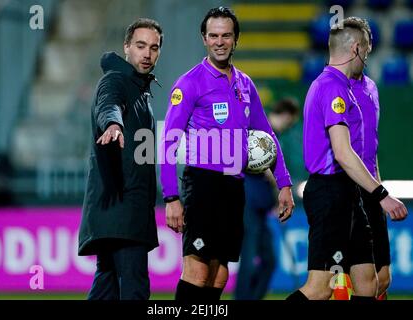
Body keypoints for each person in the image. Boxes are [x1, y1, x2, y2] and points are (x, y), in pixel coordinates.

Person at [160, 6, 295, 301]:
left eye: (226, 35)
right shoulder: (190, 82)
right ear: (204, 39)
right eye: (213, 36)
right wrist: (171, 197)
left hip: (235, 186)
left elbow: (267, 136)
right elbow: (169, 141)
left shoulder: (245, 84)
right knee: (197, 272)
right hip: (203, 184)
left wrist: (284, 183)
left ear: (236, 40)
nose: (219, 41)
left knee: (219, 274)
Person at [287, 17, 408, 301]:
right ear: (355, 48)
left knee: (368, 284)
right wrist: (382, 194)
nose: (367, 56)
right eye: (366, 49)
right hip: (331, 191)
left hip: (351, 191)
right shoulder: (332, 87)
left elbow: (367, 150)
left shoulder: (348, 87)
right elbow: (342, 152)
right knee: (319, 288)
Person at [78, 18, 163, 300]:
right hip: (123, 211)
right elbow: (108, 104)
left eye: (154, 47)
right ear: (126, 47)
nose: (147, 54)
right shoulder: (116, 80)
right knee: (134, 290)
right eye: (140, 46)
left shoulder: (140, 90)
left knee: (106, 289)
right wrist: (113, 125)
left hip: (118, 210)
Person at [235, 98, 300, 300]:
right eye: (290, 122)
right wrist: (279, 183)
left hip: (260, 209)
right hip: (248, 204)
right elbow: (260, 165)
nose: (289, 126)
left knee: (268, 260)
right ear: (287, 115)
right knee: (249, 256)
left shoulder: (272, 133)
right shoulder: (260, 131)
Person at [350, 18, 391, 300]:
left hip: (372, 189)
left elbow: (371, 146)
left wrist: (380, 189)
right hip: (344, 188)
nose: (362, 50)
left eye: (365, 44)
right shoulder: (331, 86)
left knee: (383, 277)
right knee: (336, 279)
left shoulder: (372, 88)